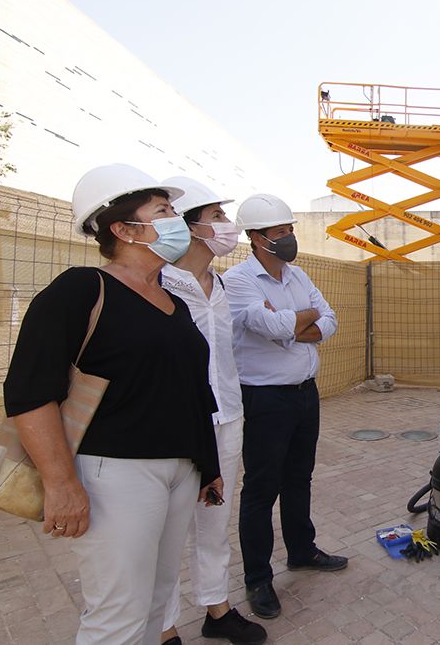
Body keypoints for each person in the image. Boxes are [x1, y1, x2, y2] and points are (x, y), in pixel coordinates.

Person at [3, 163, 224, 644]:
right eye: (164, 212)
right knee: (117, 613)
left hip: (179, 470)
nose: (177, 223)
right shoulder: (81, 289)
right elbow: (29, 393)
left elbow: (192, 393)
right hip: (114, 474)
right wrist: (61, 483)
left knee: (154, 601)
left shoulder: (174, 302)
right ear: (123, 229)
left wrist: (207, 467)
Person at [223, 193, 346, 620]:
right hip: (264, 398)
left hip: (303, 394)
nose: (289, 237)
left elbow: (328, 321)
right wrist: (299, 322)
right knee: (261, 488)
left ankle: (302, 551)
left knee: (299, 478)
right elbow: (270, 326)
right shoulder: (237, 280)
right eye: (280, 232)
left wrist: (296, 321)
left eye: (290, 229)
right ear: (256, 238)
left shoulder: (298, 276)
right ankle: (258, 578)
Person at [158, 178, 267, 645]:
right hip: (179, 426)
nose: (228, 226)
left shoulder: (219, 283)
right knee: (165, 531)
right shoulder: (161, 284)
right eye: (218, 217)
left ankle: (216, 609)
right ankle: (161, 628)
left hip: (228, 417)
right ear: (190, 226)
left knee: (214, 522)